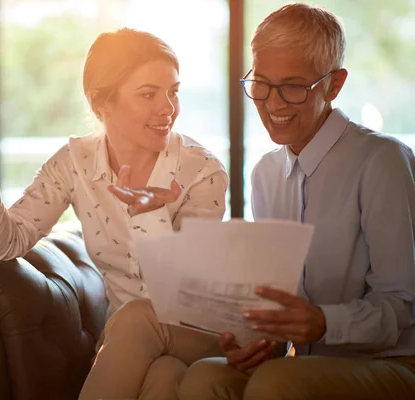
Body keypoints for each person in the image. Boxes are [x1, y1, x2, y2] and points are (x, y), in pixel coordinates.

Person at [0, 28, 229, 399]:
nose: (168, 108)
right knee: (163, 376)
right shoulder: (74, 163)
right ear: (101, 103)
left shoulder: (202, 171)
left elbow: (178, 293)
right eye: (149, 94)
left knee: (140, 321)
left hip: (198, 333)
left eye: (173, 92)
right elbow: (1, 246)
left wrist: (150, 216)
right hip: (131, 341)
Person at [177, 4, 415, 400]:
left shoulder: (383, 161)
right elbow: (282, 298)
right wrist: (257, 340)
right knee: (205, 377)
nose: (272, 104)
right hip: (308, 362)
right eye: (261, 84)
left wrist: (325, 323)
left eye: (293, 87)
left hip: (396, 360)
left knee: (278, 382)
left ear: (334, 85)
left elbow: (403, 305)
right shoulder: (265, 175)